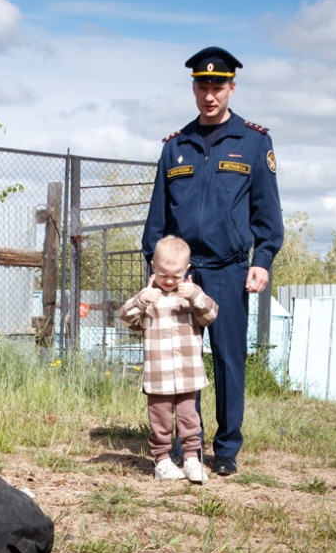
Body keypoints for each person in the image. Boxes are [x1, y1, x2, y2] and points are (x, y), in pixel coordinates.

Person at [142, 46, 283, 476]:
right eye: (202, 85)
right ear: (194, 88)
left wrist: (264, 259)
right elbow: (157, 218)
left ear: (231, 88)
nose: (210, 94)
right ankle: (190, 447)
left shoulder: (254, 142)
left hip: (228, 269)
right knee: (182, 360)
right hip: (181, 274)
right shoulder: (175, 147)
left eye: (218, 86)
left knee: (228, 359)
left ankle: (226, 448)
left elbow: (267, 212)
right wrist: (155, 267)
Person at [120, 236, 219, 484]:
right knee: (160, 420)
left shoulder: (190, 296)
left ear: (187, 270)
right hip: (159, 376)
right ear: (154, 267)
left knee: (189, 418)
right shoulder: (149, 298)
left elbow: (211, 315)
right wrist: (142, 299)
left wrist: (195, 295)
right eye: (164, 274)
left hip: (188, 374)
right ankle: (162, 461)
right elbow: (125, 319)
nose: (169, 280)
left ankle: (191, 460)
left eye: (176, 275)